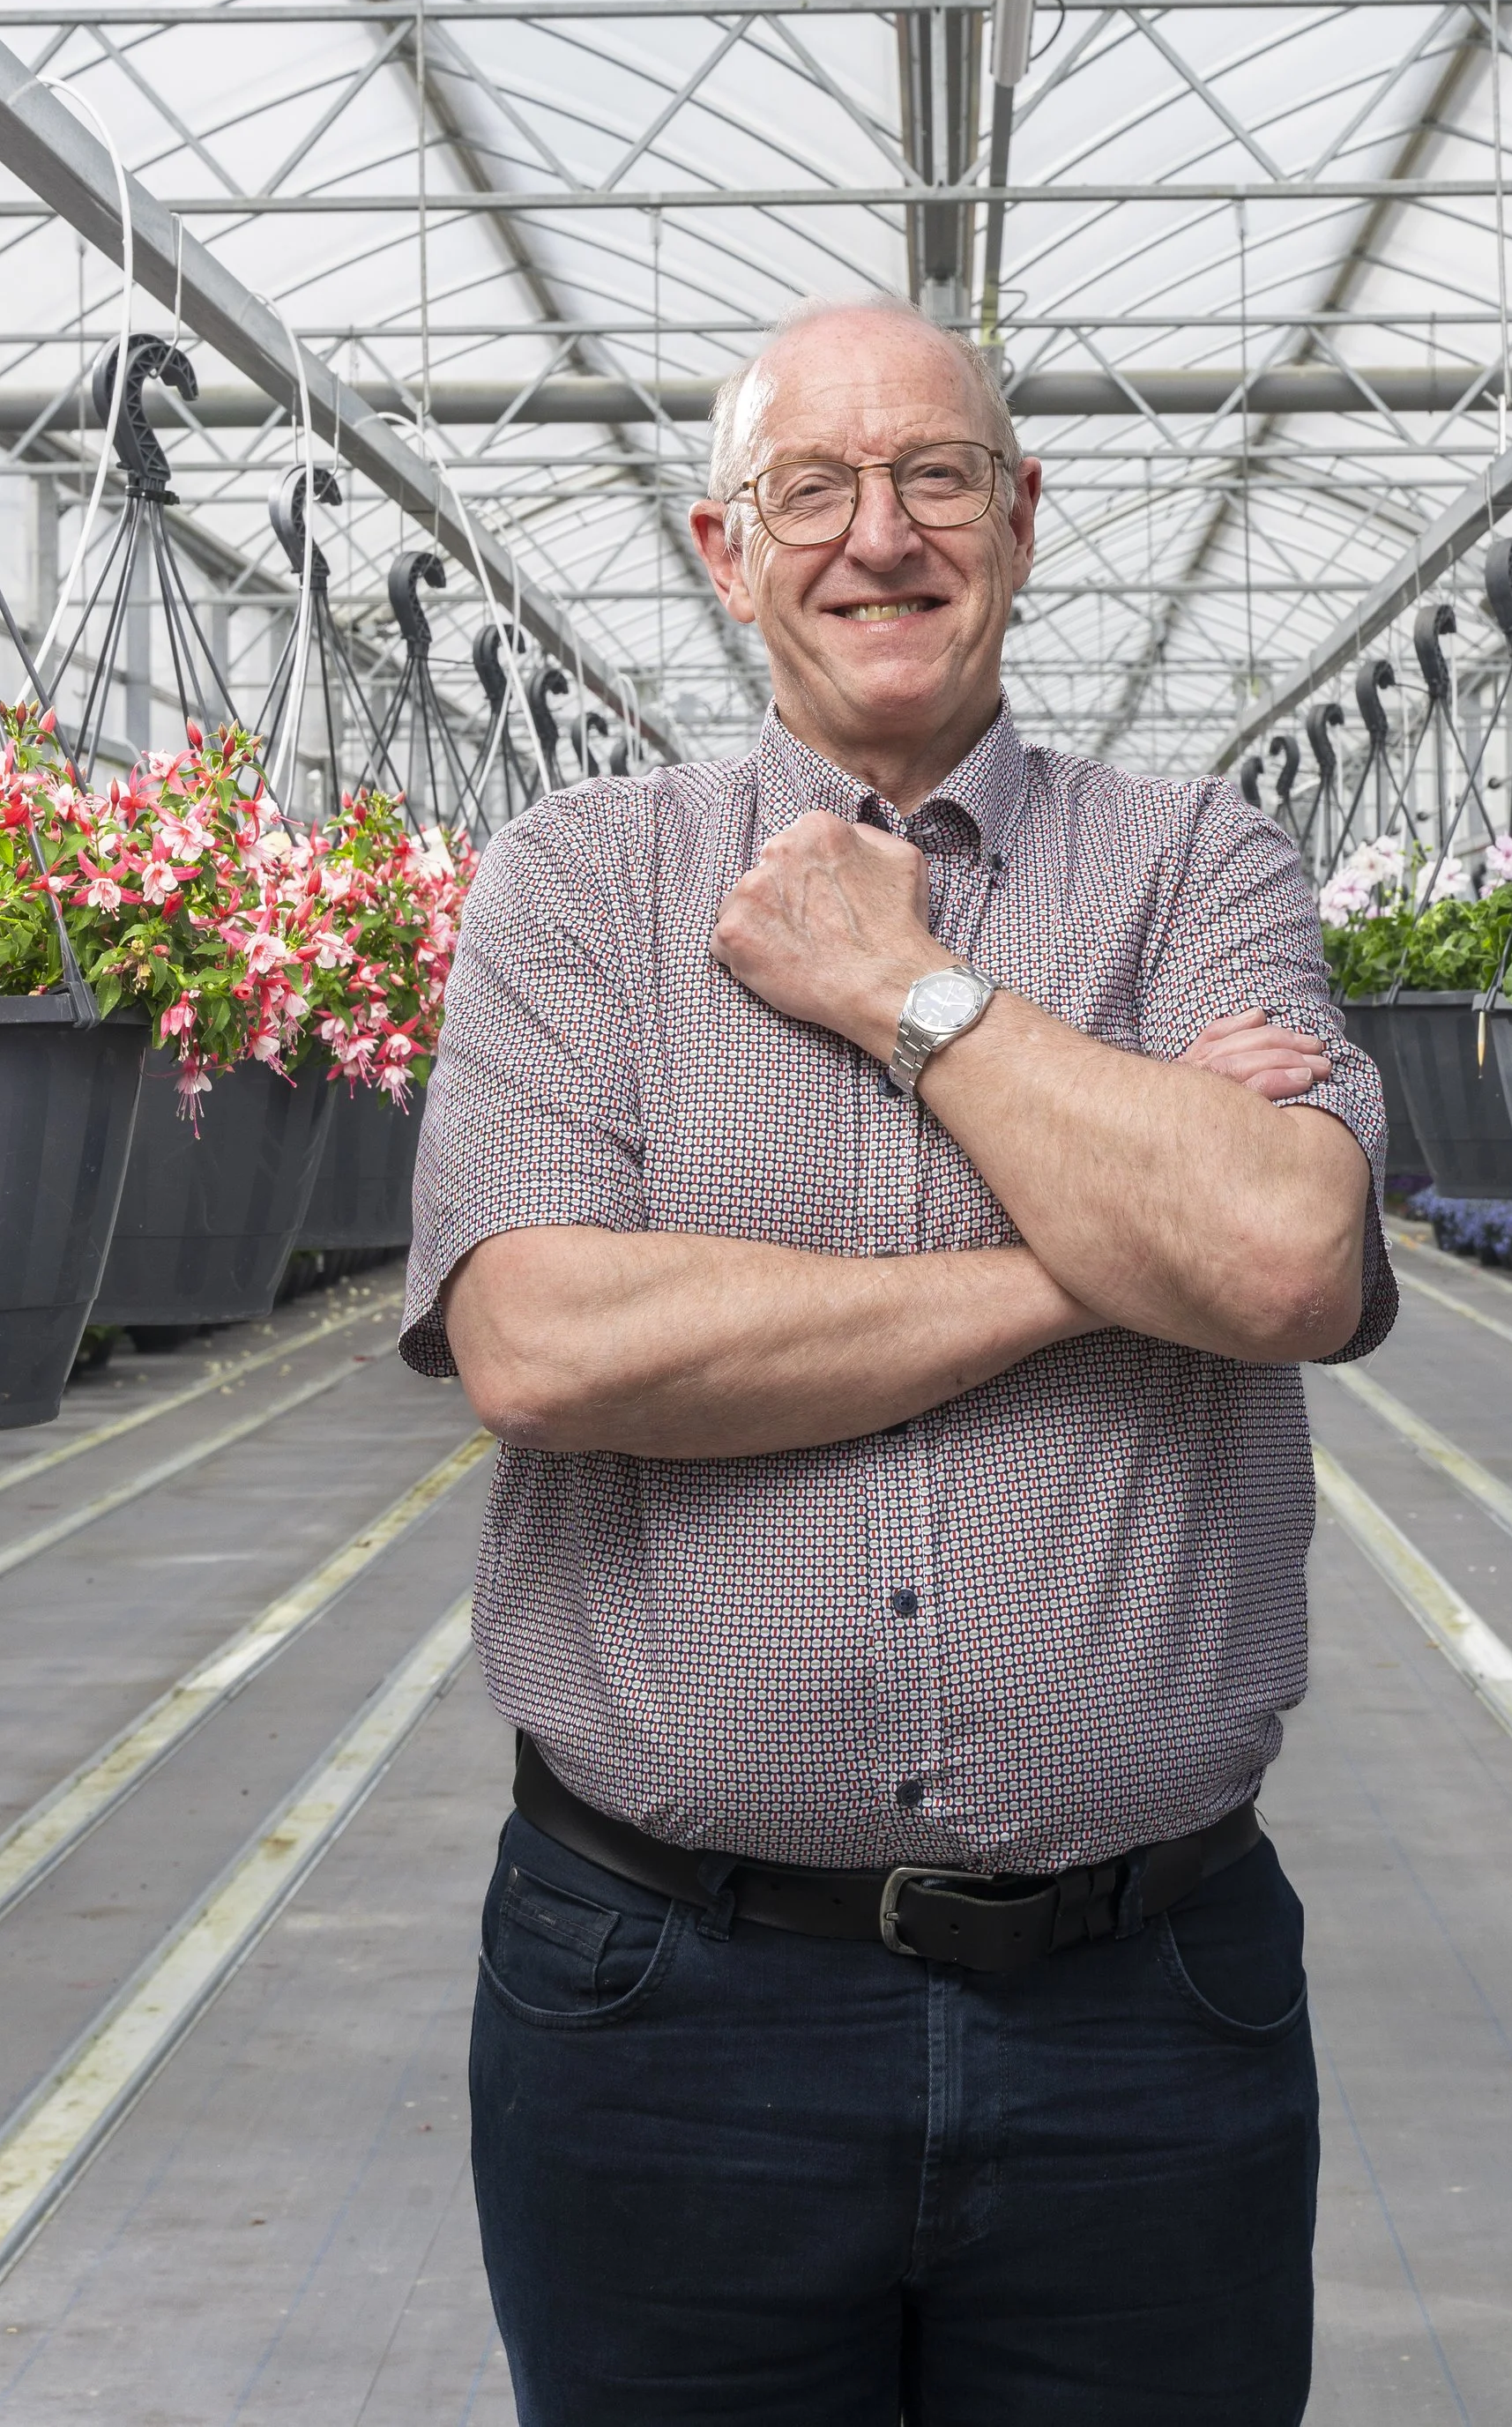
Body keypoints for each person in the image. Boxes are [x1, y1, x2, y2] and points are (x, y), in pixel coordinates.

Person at [401, 294, 1397, 2427]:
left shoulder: (1195, 861)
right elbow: (546, 1344)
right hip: (663, 2006)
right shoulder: (581, 885)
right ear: (719, 547)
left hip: (1144, 2010)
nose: (880, 535)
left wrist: (904, 995)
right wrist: (1084, 1248)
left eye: (935, 476)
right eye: (811, 491)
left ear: (1020, 519)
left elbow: (1282, 1254)